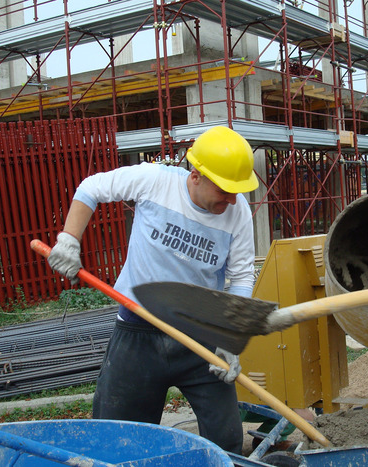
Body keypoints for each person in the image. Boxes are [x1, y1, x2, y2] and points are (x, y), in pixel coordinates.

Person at [46, 125, 259, 455]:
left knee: (226, 439)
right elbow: (92, 188)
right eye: (225, 190)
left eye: (236, 191)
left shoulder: (237, 212)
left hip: (199, 339)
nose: (232, 199)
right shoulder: (156, 181)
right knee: (115, 438)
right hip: (138, 335)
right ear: (196, 176)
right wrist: (69, 240)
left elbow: (242, 276)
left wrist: (231, 335)